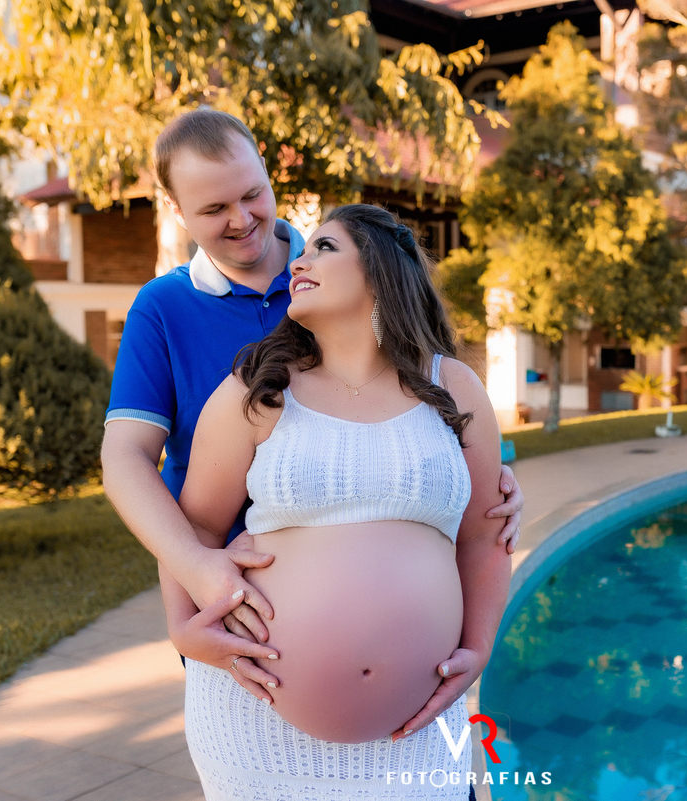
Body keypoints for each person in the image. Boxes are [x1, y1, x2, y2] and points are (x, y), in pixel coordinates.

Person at [99, 108, 524, 703]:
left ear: (267, 170)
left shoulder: (335, 277)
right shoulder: (163, 308)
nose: (242, 219)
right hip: (240, 610)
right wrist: (193, 570)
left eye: (252, 194)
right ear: (174, 209)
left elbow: (426, 414)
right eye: (214, 209)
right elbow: (125, 458)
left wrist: (478, 483)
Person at [176, 203, 511, 798]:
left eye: (324, 247)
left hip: (417, 733)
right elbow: (195, 527)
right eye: (302, 252)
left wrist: (480, 648)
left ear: (381, 272)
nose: (298, 262)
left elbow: (485, 536)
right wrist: (182, 629)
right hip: (257, 728)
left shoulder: (453, 387)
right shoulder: (259, 391)